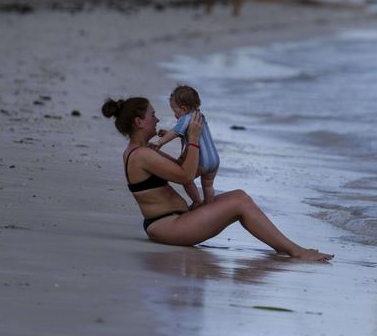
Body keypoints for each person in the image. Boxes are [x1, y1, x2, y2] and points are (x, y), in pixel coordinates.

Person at [103, 96, 332, 261]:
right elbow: (186, 175)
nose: (157, 119)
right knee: (239, 203)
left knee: (240, 196)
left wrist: (197, 144)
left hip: (173, 221)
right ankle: (295, 250)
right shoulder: (142, 155)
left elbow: (183, 169)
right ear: (139, 122)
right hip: (168, 227)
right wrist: (192, 137)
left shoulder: (144, 152)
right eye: (152, 115)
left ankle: (286, 247)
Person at [154, 85, 220, 207]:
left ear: (184, 109)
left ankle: (197, 201)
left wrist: (160, 142)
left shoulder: (185, 118)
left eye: (175, 111)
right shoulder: (200, 116)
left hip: (201, 161)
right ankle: (210, 206)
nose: (175, 115)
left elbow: (175, 132)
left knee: (186, 180)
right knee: (208, 185)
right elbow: (188, 133)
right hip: (214, 159)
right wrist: (169, 133)